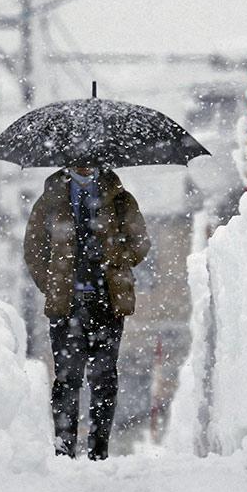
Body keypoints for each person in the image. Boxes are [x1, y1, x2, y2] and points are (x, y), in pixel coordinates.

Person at [23, 165, 150, 460]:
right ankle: (65, 449)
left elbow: (140, 244)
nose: (84, 163)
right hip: (66, 305)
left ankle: (98, 451)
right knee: (67, 379)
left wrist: (115, 255)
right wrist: (53, 283)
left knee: (104, 378)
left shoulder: (120, 200)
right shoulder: (50, 201)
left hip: (107, 302)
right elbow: (34, 250)